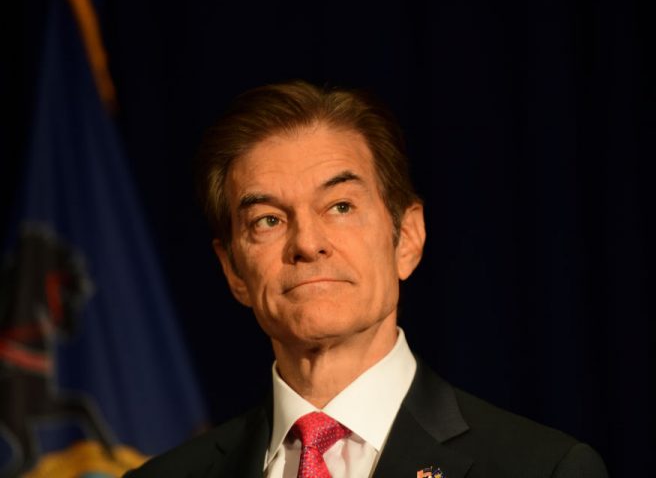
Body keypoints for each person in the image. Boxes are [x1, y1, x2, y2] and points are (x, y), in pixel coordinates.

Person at [126, 80, 609, 478]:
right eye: (268, 220)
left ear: (407, 238)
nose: (307, 243)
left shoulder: (542, 469)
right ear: (233, 270)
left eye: (340, 207)